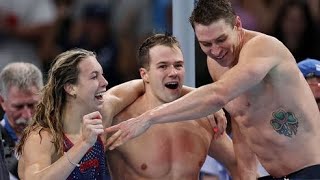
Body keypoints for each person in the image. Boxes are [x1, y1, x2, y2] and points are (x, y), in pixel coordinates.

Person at [105, 0, 320, 179]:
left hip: (311, 169)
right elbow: (241, 120)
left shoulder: (263, 48)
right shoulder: (216, 62)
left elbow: (218, 94)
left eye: (221, 39)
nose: (216, 50)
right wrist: (246, 175)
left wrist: (149, 117)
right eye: (206, 44)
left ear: (237, 25)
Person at [103, 33, 238, 179]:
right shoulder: (120, 123)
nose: (173, 72)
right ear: (144, 74)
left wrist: (204, 101)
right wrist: (203, 98)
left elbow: (239, 166)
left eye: (178, 65)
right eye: (163, 66)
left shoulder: (204, 120)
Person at [16, 48, 143, 179]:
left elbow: (148, 83)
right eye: (94, 76)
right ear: (71, 88)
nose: (105, 82)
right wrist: (84, 144)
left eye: (102, 75)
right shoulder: (42, 137)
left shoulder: (103, 112)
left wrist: (147, 119)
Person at [0, 62, 43, 180]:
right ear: (2, 101)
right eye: (18, 107)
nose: (27, 115)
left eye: (32, 105)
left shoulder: (60, 136)